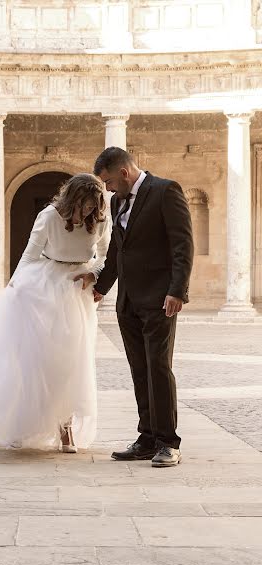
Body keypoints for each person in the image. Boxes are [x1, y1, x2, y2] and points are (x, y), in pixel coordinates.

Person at [0, 173, 110, 453]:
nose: (89, 211)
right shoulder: (49, 216)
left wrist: (92, 273)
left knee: (72, 362)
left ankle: (65, 429)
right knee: (33, 361)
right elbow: (30, 255)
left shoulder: (101, 220)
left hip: (76, 292)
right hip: (42, 287)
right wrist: (14, 287)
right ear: (72, 199)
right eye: (85, 205)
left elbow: (105, 256)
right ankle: (18, 426)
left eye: (94, 205)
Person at [78, 147, 194, 467]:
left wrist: (177, 291)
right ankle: (147, 438)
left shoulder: (165, 191)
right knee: (139, 369)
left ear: (125, 173)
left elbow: (183, 244)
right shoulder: (117, 201)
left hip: (159, 298)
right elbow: (118, 248)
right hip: (127, 300)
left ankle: (168, 442)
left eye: (110, 181)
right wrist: (102, 287)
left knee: (158, 367)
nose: (108, 189)